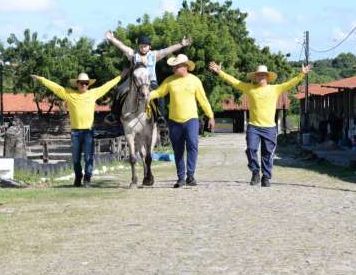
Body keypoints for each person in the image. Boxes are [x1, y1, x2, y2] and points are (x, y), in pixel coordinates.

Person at [209, 62, 311, 187]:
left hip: (269, 128)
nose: (261, 77)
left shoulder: (275, 88)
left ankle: (266, 177)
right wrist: (220, 72)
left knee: (267, 153)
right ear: (255, 77)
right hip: (253, 126)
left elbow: (290, 83)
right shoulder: (249, 88)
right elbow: (234, 81)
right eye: (259, 75)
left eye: (263, 75)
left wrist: (302, 74)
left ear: (267, 77)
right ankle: (255, 172)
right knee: (251, 149)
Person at [31, 72, 121, 187]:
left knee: (89, 157)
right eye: (82, 83)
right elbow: (56, 87)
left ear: (88, 84)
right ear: (77, 84)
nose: (84, 85)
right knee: (76, 158)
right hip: (75, 133)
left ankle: (87, 178)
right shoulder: (70, 94)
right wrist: (41, 79)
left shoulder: (93, 93)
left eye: (86, 83)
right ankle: (78, 177)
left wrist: (120, 76)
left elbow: (108, 85)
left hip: (88, 131)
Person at [149, 54, 215, 188]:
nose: (173, 68)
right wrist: (145, 96)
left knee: (192, 145)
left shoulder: (195, 81)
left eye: (176, 66)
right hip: (174, 121)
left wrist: (211, 116)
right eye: (173, 66)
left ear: (184, 67)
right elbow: (159, 92)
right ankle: (181, 178)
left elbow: (203, 100)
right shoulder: (169, 80)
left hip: (191, 119)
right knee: (178, 150)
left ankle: (190, 175)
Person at [104, 31, 191, 121]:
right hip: (134, 81)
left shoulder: (154, 55)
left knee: (160, 95)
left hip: (150, 82)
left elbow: (167, 50)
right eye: (141, 46)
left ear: (149, 46)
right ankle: (114, 114)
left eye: (145, 46)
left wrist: (181, 44)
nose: (143, 48)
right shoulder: (133, 54)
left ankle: (160, 116)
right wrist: (112, 39)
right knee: (119, 89)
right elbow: (122, 46)